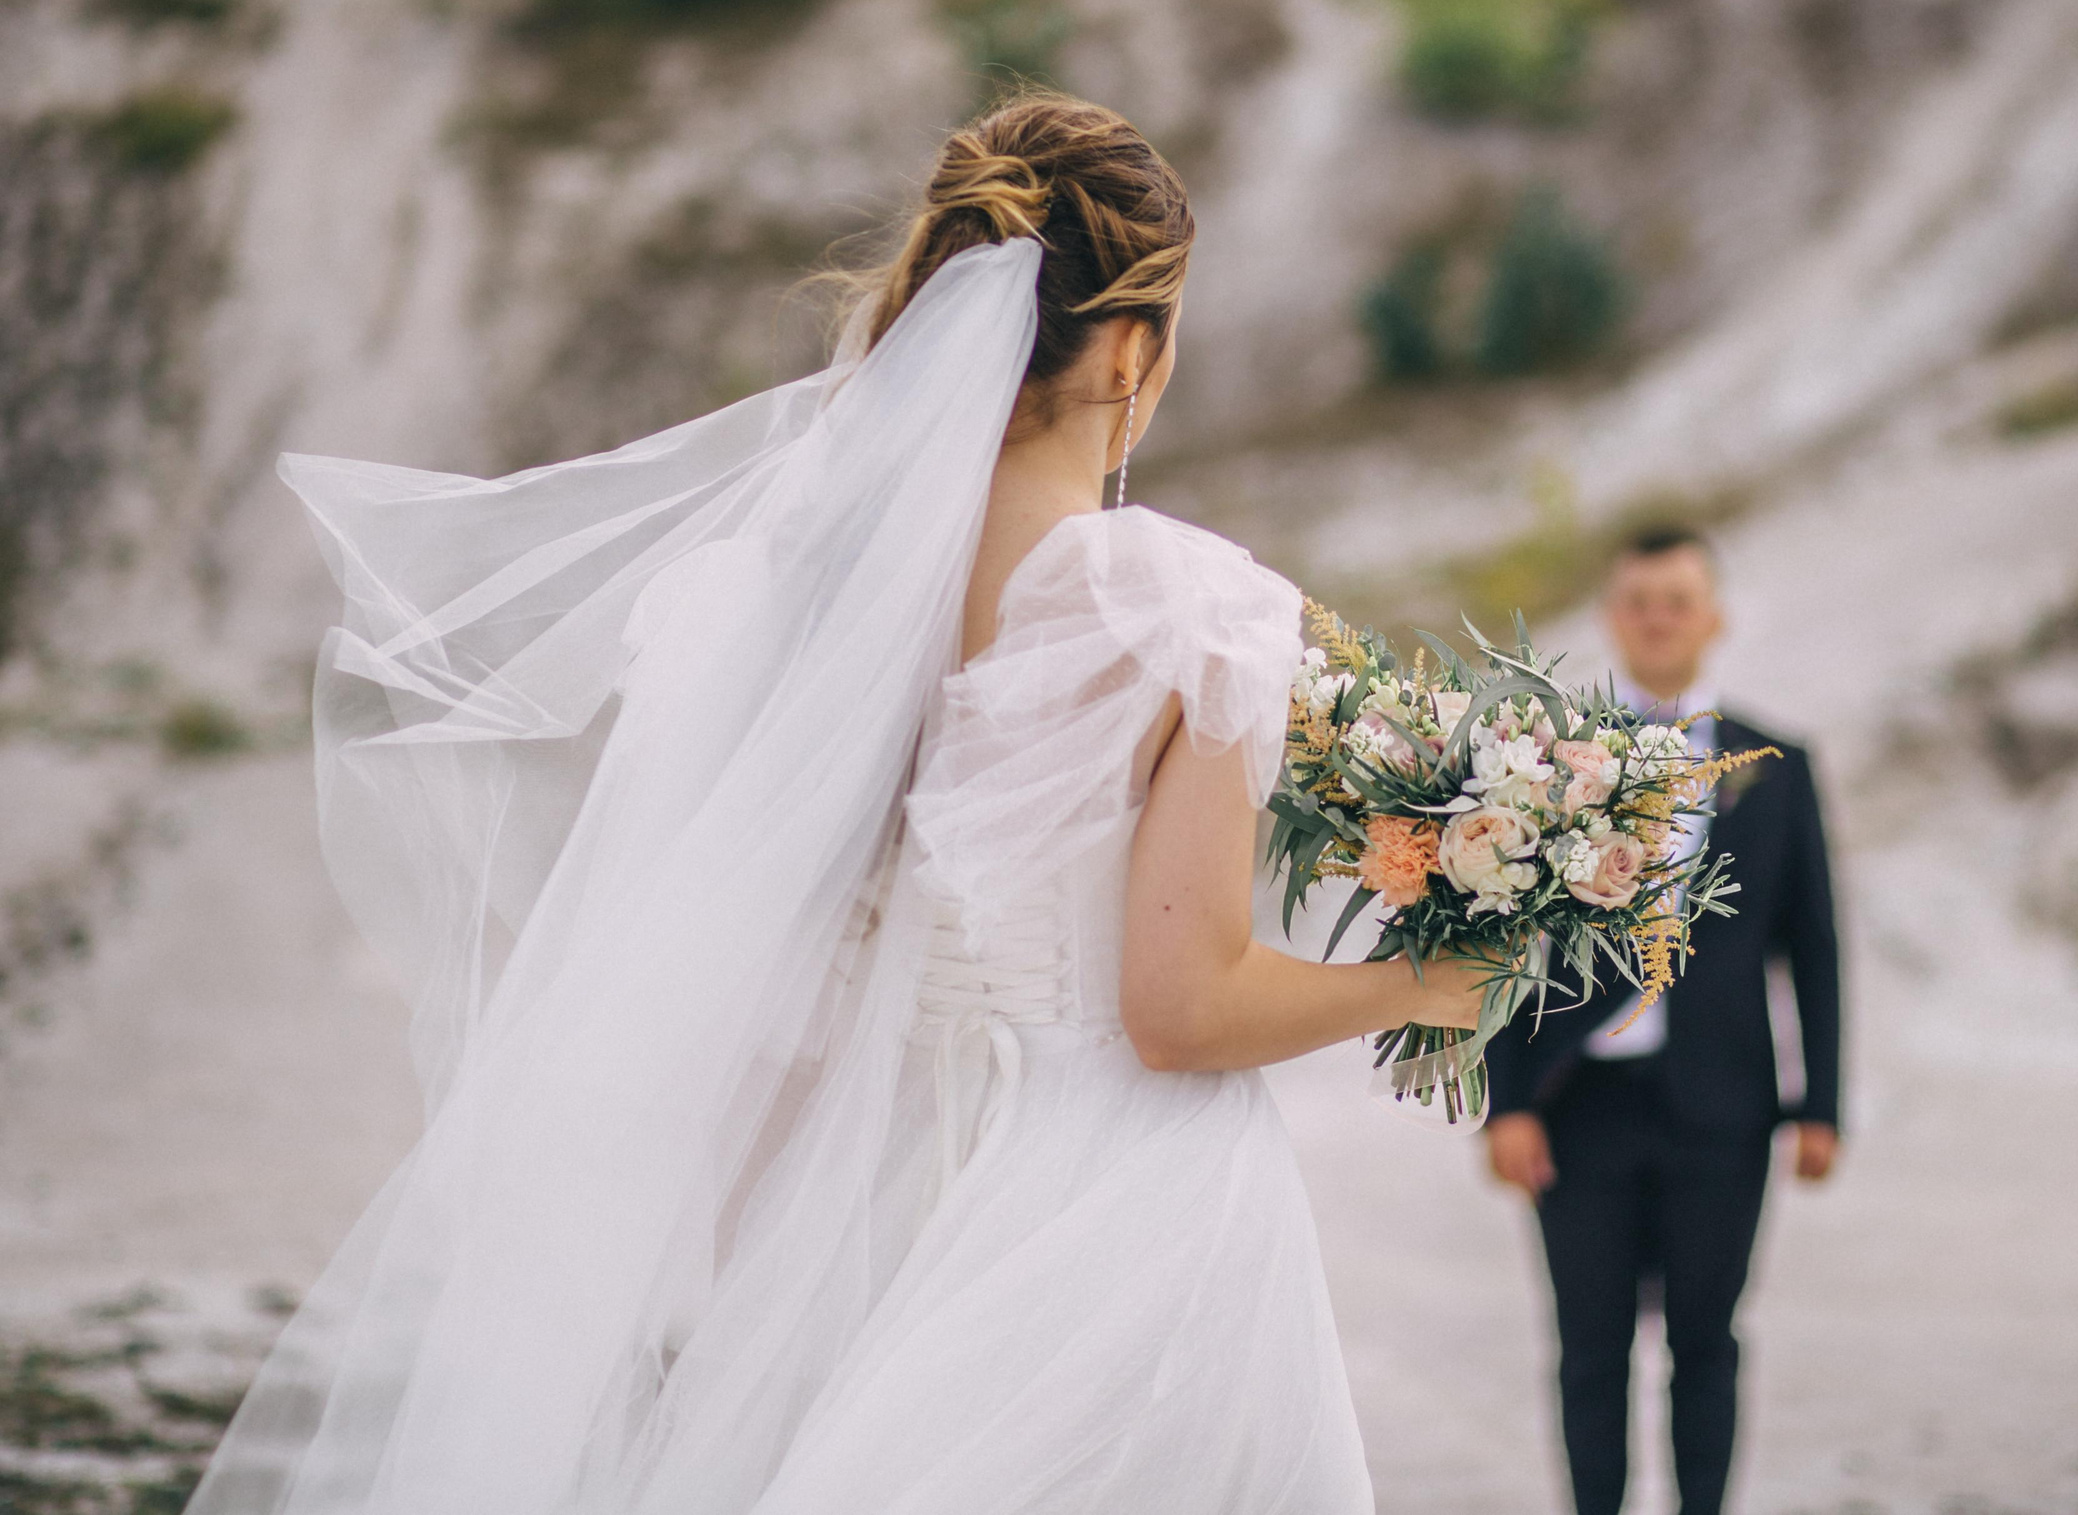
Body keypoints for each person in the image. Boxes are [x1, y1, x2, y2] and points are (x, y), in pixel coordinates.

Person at [188, 93, 1487, 1514]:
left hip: (857, 1191)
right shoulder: (1190, 609)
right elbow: (1181, 1009)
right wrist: (1427, 979)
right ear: (1132, 349)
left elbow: (777, 951)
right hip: (1109, 1196)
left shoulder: (806, 583)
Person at [1481, 528, 1843, 1515]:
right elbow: (1502, 939)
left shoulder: (1780, 770)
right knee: (1589, 1352)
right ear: (1612, 615)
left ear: (1713, 618)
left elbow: (1811, 948)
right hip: (1576, 1106)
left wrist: (1822, 1106)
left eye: (1677, 600)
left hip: (1723, 1111)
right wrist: (1503, 1104)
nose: (1657, 617)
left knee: (1706, 1348)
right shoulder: (1546, 767)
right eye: (1639, 599)